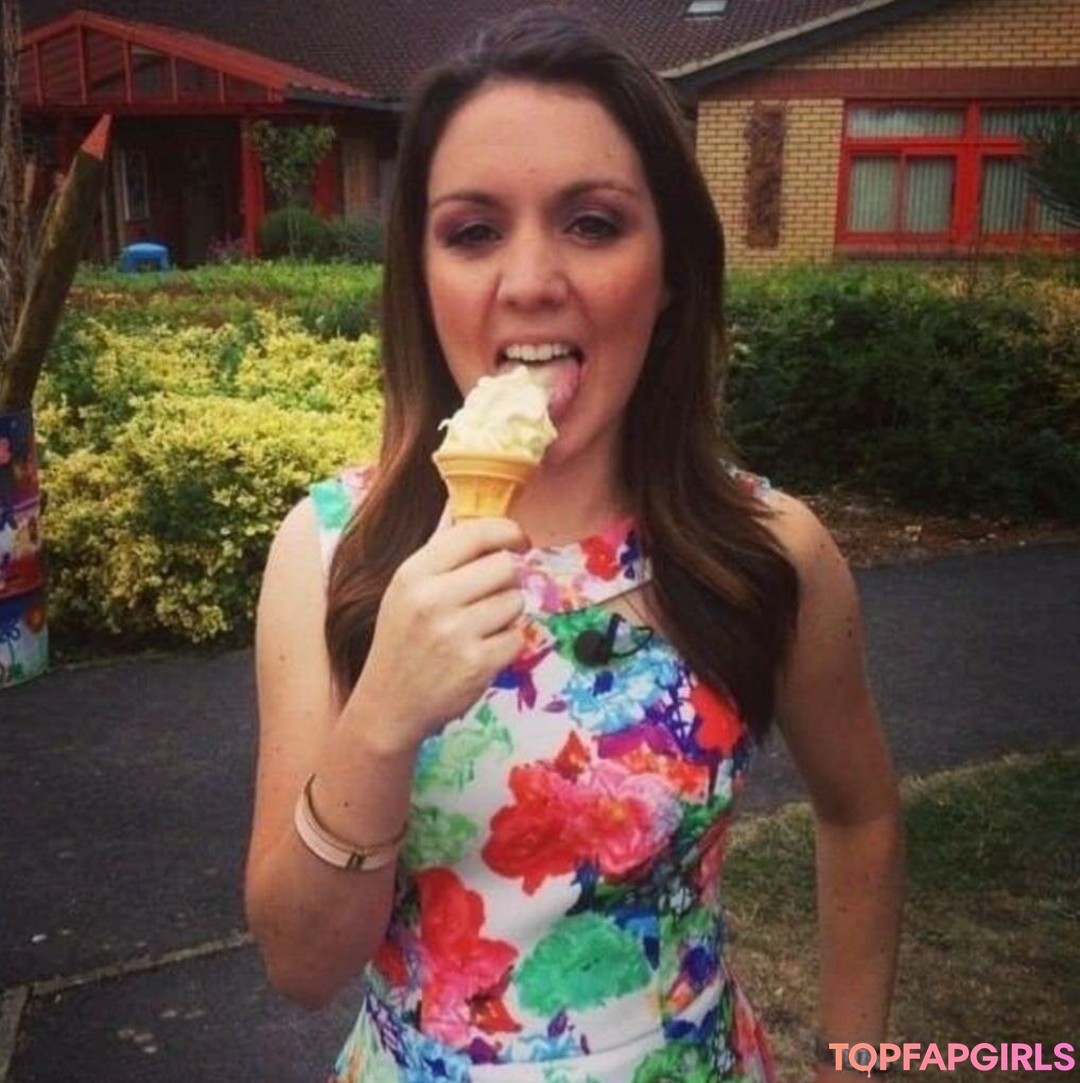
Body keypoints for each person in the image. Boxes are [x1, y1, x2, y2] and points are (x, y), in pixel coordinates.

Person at [245, 9, 904, 1082]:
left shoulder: (770, 552)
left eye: (593, 224)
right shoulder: (331, 552)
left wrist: (857, 1060)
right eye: (472, 232)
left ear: (672, 266)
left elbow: (863, 813)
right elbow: (301, 965)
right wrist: (381, 720)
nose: (529, 281)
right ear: (421, 274)